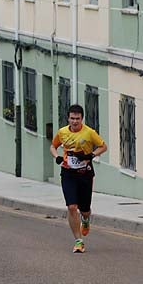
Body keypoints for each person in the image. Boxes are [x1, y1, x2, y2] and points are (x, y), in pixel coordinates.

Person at [50, 104, 107, 253]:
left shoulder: (89, 133)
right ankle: (78, 241)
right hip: (68, 173)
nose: (75, 122)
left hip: (85, 174)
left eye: (77, 119)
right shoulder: (62, 132)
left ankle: (86, 220)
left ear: (82, 119)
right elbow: (53, 146)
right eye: (72, 118)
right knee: (71, 207)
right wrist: (57, 157)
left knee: (84, 209)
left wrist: (92, 155)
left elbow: (103, 146)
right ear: (68, 118)